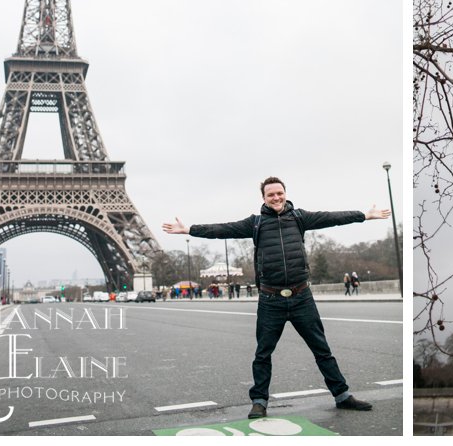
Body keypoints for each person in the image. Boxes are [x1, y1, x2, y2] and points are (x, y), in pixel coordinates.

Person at [163, 176, 390, 418]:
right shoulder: (255, 223)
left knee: (322, 349)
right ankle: (259, 401)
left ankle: (342, 395)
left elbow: (331, 218)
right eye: (271, 194)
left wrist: (364, 215)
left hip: (302, 296)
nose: (276, 198)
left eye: (279, 193)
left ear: (285, 193)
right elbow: (222, 229)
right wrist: (189, 230)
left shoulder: (300, 218)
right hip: (271, 300)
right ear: (264, 198)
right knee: (263, 353)